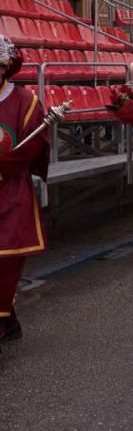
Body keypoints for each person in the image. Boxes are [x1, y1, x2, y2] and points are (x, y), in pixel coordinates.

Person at [0, 35, 51, 344]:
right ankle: (8, 317)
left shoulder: (25, 101)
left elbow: (33, 146)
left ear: (5, 66)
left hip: (11, 188)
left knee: (6, 257)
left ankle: (3, 316)